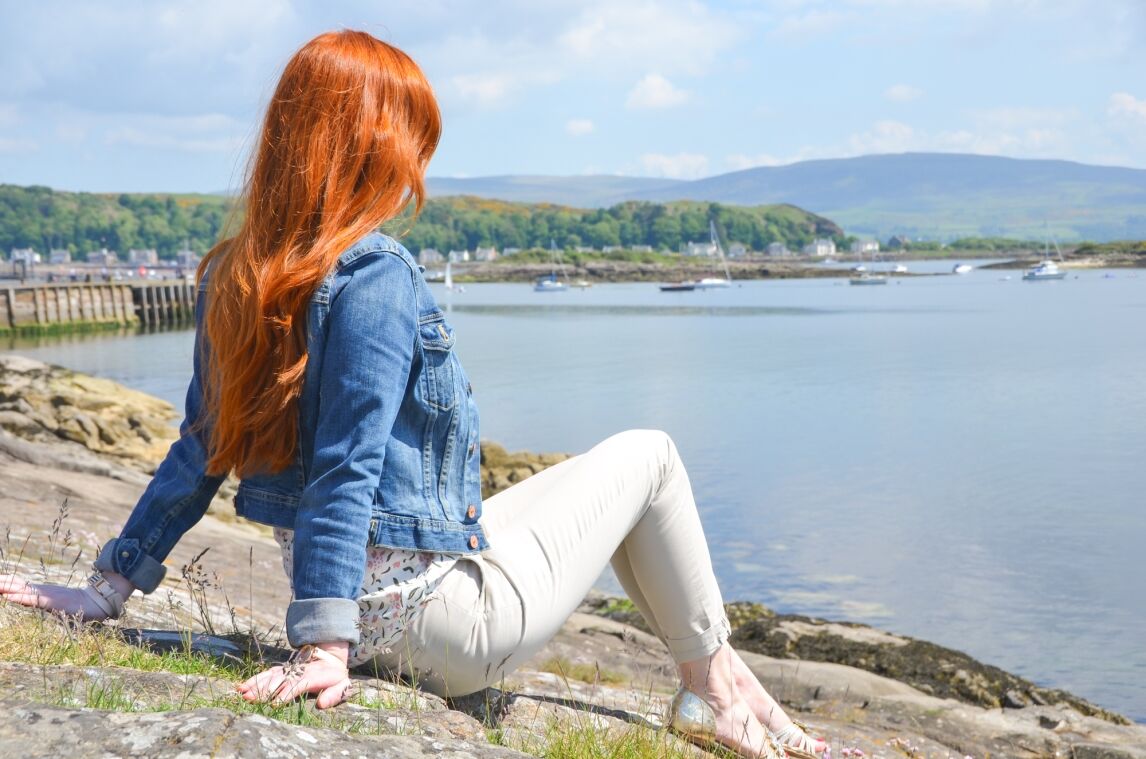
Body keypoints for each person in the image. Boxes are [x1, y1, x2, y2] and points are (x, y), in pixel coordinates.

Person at [0, 31, 824, 759]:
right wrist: (325, 643)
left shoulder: (237, 274)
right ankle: (716, 689)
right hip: (437, 633)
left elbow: (199, 450)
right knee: (653, 456)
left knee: (588, 484)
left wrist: (107, 586)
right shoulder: (374, 274)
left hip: (369, 614)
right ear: (370, 148)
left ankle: (722, 683)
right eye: (412, 144)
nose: (417, 170)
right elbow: (346, 465)